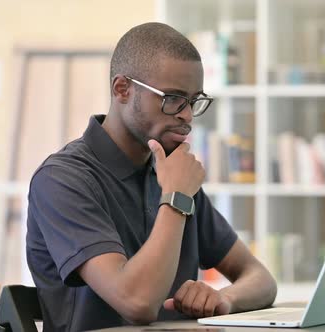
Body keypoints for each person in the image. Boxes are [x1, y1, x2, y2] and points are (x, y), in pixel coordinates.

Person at [26, 22, 277, 331]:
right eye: (172, 98)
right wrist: (176, 197)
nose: (186, 115)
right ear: (122, 89)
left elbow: (260, 278)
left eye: (193, 100)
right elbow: (138, 303)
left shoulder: (172, 175)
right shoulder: (62, 180)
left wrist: (224, 299)